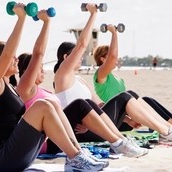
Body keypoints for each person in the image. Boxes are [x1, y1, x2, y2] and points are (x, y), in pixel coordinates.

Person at [0, 4, 104, 172]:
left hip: (20, 155)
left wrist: (47, 23)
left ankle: (77, 155)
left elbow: (39, 53)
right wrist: (21, 18)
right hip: (1, 158)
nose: (16, 59)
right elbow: (8, 53)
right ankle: (76, 157)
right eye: (13, 57)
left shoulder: (12, 87)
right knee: (42, 105)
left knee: (50, 104)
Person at [16, 4, 148, 159]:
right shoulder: (27, 89)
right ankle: (120, 142)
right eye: (38, 68)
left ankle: (120, 142)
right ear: (27, 72)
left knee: (88, 103)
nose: (43, 70)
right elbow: (41, 53)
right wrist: (92, 14)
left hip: (64, 133)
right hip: (49, 140)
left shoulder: (44, 91)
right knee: (81, 104)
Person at [53, 19, 172, 145]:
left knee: (132, 95)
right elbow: (82, 44)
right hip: (82, 131)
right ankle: (165, 132)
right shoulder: (61, 77)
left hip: (96, 125)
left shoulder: (80, 80)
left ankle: (166, 129)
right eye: (77, 55)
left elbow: (99, 105)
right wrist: (93, 14)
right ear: (66, 57)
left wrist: (127, 120)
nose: (81, 58)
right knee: (125, 96)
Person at [92, 24, 172, 141]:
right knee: (131, 93)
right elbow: (113, 57)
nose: (116, 58)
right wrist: (114, 34)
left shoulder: (115, 77)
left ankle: (168, 126)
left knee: (147, 100)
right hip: (115, 119)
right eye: (109, 56)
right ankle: (166, 129)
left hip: (126, 115)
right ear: (103, 59)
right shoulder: (101, 74)